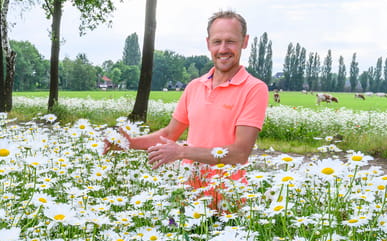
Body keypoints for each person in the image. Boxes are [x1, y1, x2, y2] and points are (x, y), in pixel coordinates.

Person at [105, 10, 268, 172]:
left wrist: (182, 151)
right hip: (188, 190)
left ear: (245, 42)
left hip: (229, 193)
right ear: (208, 43)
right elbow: (169, 134)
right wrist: (128, 143)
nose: (223, 49)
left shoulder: (254, 89)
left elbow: (239, 153)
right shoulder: (194, 86)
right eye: (217, 41)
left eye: (230, 41)